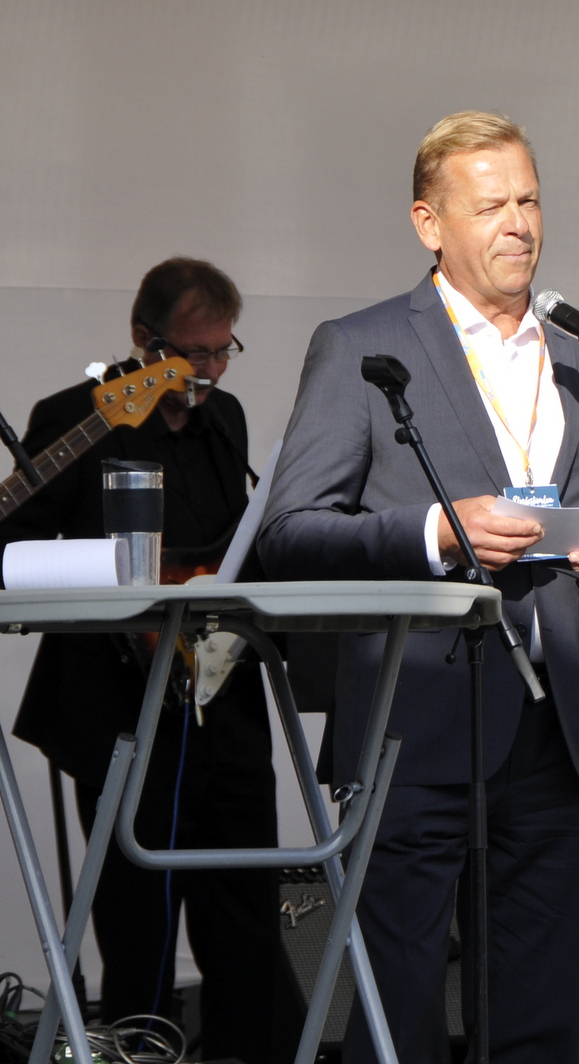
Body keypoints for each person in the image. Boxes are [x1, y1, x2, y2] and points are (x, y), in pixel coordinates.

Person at [256, 112, 579, 1064]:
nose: (519, 223)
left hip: (559, 728)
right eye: (492, 205)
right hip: (414, 723)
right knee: (395, 1009)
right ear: (428, 222)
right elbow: (289, 535)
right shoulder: (360, 348)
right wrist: (439, 531)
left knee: (538, 1015)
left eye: (529, 200)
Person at [3, 258, 287, 1062]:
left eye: (222, 352)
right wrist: (132, 581)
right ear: (141, 340)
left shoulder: (223, 419)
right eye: (191, 354)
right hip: (118, 708)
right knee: (138, 922)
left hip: (222, 698)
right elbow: (16, 551)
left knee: (247, 913)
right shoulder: (71, 416)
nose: (205, 373)